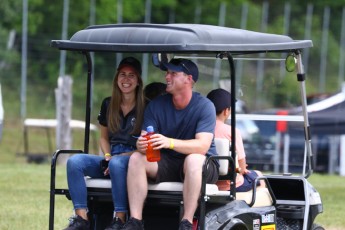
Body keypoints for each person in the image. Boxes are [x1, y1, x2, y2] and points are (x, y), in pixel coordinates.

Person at [122, 58, 219, 230]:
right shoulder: (156, 106)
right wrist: (141, 145)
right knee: (137, 158)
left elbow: (202, 146)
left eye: (173, 73)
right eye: (167, 73)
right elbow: (145, 139)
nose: (167, 77)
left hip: (202, 165)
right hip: (169, 162)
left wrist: (169, 142)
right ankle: (135, 222)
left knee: (193, 160)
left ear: (188, 79)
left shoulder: (205, 106)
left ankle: (186, 222)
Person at [64, 57, 145, 230]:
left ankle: (120, 218)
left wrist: (117, 158)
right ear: (117, 79)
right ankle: (81, 219)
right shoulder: (108, 103)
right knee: (74, 162)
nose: (126, 79)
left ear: (138, 81)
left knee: (116, 163)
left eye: (132, 75)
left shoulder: (147, 106)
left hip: (134, 160)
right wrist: (108, 156)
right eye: (122, 74)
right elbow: (103, 137)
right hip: (112, 158)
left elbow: (146, 147)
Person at [206, 88, 265, 192]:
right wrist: (240, 168)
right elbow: (241, 168)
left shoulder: (199, 130)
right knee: (259, 176)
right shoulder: (232, 131)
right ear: (226, 111)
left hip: (206, 183)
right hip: (231, 186)